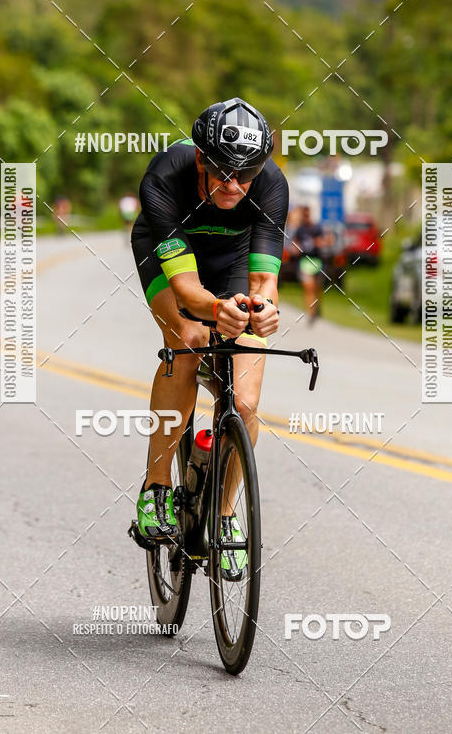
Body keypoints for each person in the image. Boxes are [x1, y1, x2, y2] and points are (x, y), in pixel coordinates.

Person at [130, 97, 288, 577]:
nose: (233, 185)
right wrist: (219, 310)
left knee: (243, 402)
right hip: (171, 254)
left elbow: (264, 284)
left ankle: (222, 515)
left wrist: (264, 313)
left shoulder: (272, 186)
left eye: (246, 175)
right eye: (222, 172)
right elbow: (186, 290)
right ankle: (157, 487)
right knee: (192, 337)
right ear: (200, 157)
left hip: (232, 257)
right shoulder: (164, 176)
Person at [291, 205, 331, 323]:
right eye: (304, 215)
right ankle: (311, 313)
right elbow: (294, 243)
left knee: (317, 288)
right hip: (305, 261)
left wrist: (320, 243)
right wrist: (295, 248)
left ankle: (317, 308)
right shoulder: (300, 230)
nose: (306, 217)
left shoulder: (317, 228)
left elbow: (327, 241)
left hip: (317, 261)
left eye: (307, 215)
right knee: (308, 288)